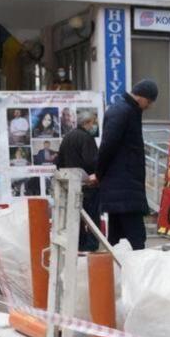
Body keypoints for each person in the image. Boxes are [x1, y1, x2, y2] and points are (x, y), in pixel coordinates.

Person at [97, 80, 155, 250]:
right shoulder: (124, 111)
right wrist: (99, 174)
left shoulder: (124, 110)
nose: (149, 107)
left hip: (121, 187)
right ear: (142, 97)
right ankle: (136, 275)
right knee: (136, 239)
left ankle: (117, 274)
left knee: (117, 238)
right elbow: (107, 146)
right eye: (149, 102)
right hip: (125, 186)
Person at [58, 106, 102, 251]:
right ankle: (91, 246)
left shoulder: (68, 137)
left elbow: (59, 162)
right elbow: (91, 161)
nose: (94, 125)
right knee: (92, 218)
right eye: (93, 123)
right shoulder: (86, 138)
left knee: (76, 217)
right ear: (87, 123)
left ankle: (79, 244)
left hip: (71, 185)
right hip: (88, 185)